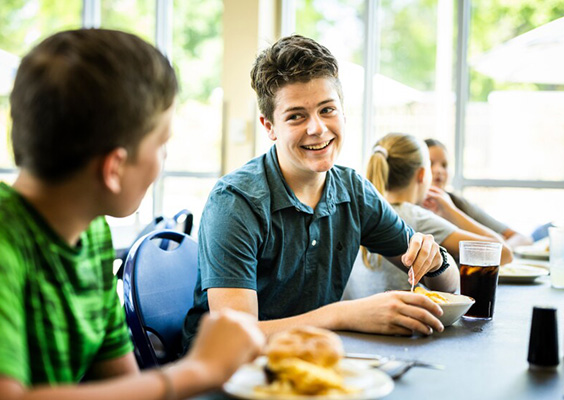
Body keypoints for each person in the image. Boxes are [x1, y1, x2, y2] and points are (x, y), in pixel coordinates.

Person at [0, 29, 264, 400]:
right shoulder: (5, 247)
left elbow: (122, 386)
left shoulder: (91, 234)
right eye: (162, 144)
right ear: (114, 169)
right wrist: (196, 370)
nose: (164, 159)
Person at [181, 35, 459, 351]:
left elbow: (449, 288)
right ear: (269, 126)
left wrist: (436, 261)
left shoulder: (353, 191)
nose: (317, 128)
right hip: (225, 377)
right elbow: (235, 340)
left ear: (342, 113)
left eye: (327, 110)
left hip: (311, 361)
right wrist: (344, 314)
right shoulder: (235, 202)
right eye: (296, 116)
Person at [343, 133, 512, 299]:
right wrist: (451, 211)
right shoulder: (417, 217)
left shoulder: (359, 213)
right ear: (422, 174)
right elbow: (502, 252)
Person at [424, 138, 533, 249]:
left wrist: (502, 251)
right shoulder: (413, 212)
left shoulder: (460, 203)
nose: (439, 170)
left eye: (444, 165)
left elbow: (523, 239)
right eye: (430, 163)